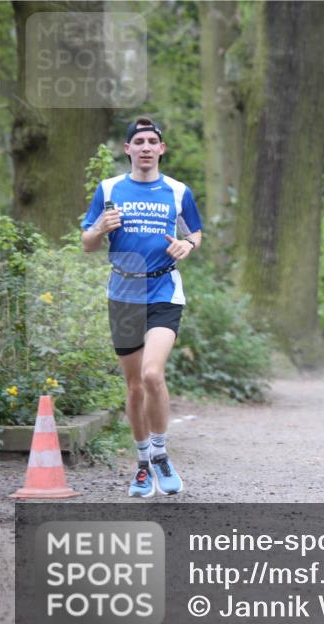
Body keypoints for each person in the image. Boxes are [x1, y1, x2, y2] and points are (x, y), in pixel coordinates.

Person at [81, 116, 202, 498]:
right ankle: (142, 464)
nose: (146, 147)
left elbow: (194, 231)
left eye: (153, 141)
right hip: (123, 294)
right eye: (140, 141)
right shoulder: (109, 188)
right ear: (128, 149)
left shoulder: (179, 191)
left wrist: (190, 245)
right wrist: (100, 228)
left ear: (162, 149)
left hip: (164, 290)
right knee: (134, 387)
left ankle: (162, 455)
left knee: (152, 374)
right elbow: (87, 242)